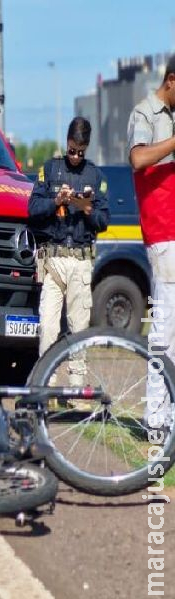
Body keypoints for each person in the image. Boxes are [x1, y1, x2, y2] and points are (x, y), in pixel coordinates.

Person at [29, 117, 110, 386]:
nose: (75, 156)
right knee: (49, 326)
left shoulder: (95, 176)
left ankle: (77, 388)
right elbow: (32, 210)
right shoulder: (50, 169)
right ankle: (45, 386)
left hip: (80, 261)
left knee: (79, 326)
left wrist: (87, 208)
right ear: (67, 143)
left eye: (81, 152)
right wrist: (56, 201)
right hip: (53, 261)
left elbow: (103, 221)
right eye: (72, 150)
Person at [127, 54, 175, 428]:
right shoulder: (145, 113)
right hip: (163, 233)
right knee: (164, 328)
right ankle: (155, 416)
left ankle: (168, 415)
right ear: (171, 81)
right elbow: (138, 159)